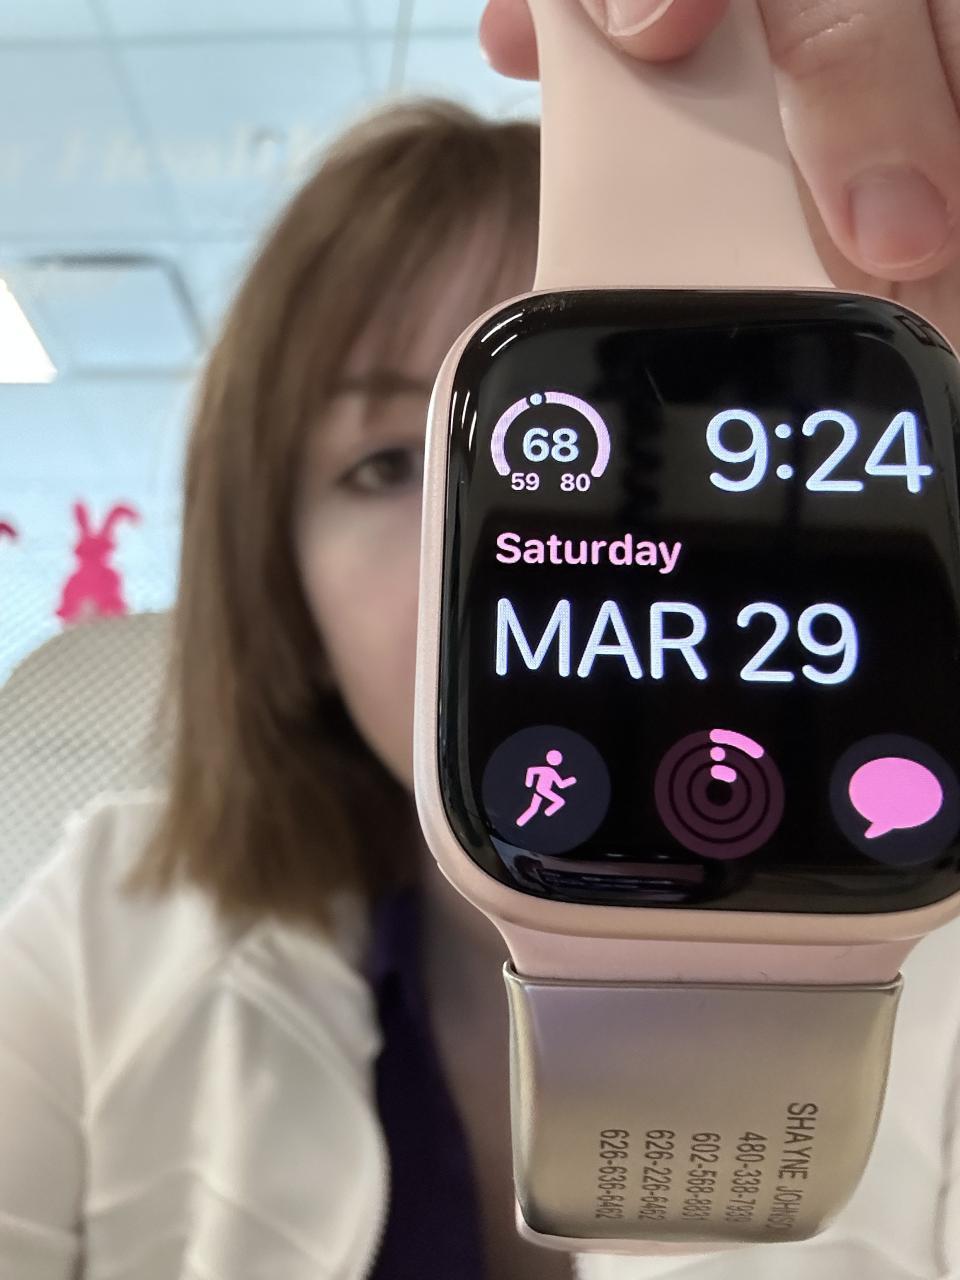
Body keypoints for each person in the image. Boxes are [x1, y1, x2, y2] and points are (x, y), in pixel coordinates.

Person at [1, 1, 959, 1276]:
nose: (496, 535)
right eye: (388, 460)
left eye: (591, 441)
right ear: (280, 586)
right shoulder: (99, 925)